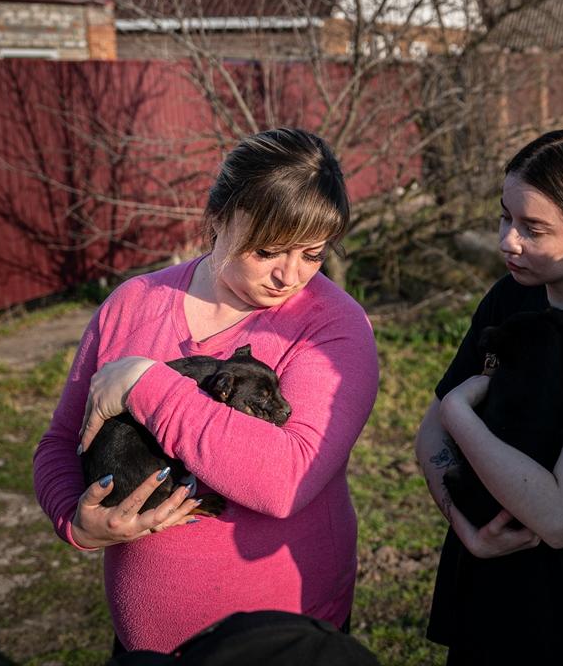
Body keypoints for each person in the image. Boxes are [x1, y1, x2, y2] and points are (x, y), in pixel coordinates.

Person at [35, 127, 380, 653]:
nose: (290, 275)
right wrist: (75, 519)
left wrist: (145, 384)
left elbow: (287, 480)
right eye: (267, 250)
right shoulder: (134, 303)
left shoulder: (333, 327)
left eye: (313, 254)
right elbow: (62, 440)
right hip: (146, 642)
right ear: (217, 218)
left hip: (282, 640)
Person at [415, 129, 563, 666]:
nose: (508, 241)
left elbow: (560, 516)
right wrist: (468, 530)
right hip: (484, 577)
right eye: (506, 218)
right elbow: (429, 435)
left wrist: (459, 414)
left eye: (533, 228)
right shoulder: (511, 295)